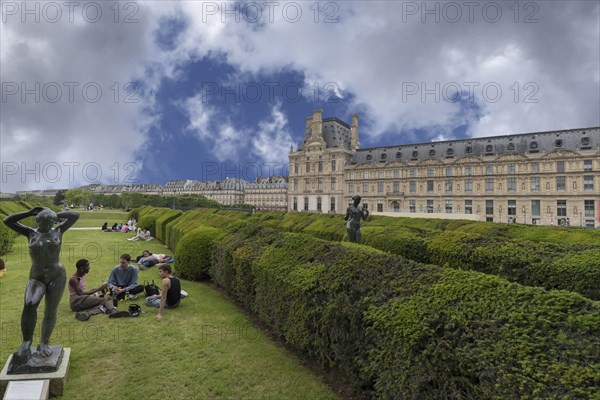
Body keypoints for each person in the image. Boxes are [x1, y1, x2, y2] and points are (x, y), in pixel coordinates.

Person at [3, 207, 79, 368]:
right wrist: (30, 212)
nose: (50, 224)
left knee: (50, 310)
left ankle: (44, 343)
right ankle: (26, 342)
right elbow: (8, 220)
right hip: (36, 276)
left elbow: (75, 215)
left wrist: (53, 213)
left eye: (51, 221)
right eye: (46, 221)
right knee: (30, 305)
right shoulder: (30, 233)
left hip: (57, 275)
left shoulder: (58, 231)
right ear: (39, 221)